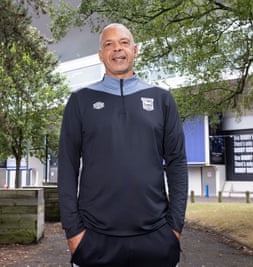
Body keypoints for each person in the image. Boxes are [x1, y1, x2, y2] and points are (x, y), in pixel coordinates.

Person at [57, 23, 188, 267]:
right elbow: (66, 166)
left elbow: (177, 163)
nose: (117, 49)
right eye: (109, 44)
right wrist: (73, 232)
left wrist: (174, 228)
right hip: (94, 240)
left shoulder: (162, 100)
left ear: (135, 50)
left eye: (124, 42)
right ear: (100, 55)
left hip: (156, 238)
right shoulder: (80, 101)